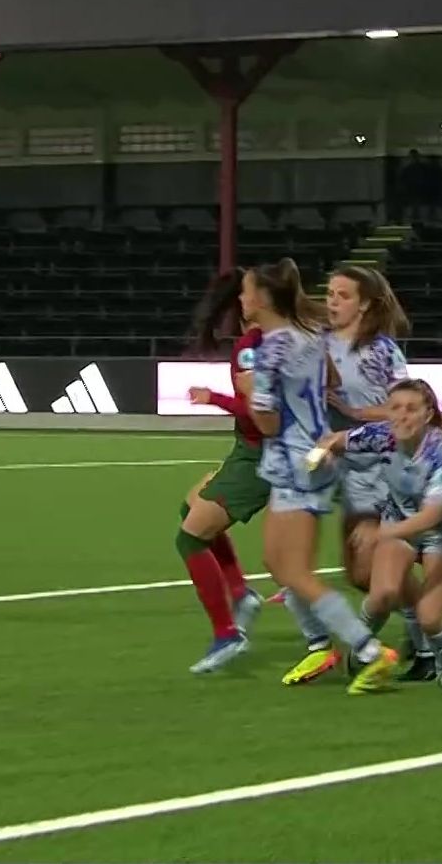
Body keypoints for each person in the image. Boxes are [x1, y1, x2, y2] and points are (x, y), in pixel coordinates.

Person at [249, 258, 399, 696]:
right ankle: (321, 644)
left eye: (245, 291)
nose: (241, 299)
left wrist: (251, 398)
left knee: (298, 572)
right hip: (309, 458)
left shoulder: (274, 348)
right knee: (276, 562)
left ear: (262, 298)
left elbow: (267, 423)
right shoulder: (313, 336)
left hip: (301, 463)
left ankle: (369, 650)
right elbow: (330, 376)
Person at [312, 379, 442, 693]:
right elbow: (334, 440)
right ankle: (360, 655)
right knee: (383, 595)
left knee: (429, 617)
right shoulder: (381, 435)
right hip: (400, 518)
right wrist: (320, 455)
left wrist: (381, 532)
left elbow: (431, 516)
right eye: (395, 408)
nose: (401, 416)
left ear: (428, 414)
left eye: (411, 409)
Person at [321, 265, 438, 679]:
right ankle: (423, 631)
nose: (332, 302)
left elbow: (405, 410)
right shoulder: (320, 346)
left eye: (343, 295)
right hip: (348, 472)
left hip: (384, 470)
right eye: (329, 294)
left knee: (375, 569)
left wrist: (355, 413)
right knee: (359, 575)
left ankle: (426, 644)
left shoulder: (383, 351)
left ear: (365, 305)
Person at [175, 272, 268, 674]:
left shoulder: (252, 347)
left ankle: (227, 633)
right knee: (191, 508)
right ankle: (241, 593)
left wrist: (213, 398)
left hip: (260, 457)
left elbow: (258, 412)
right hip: (249, 450)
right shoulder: (262, 341)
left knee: (190, 537)